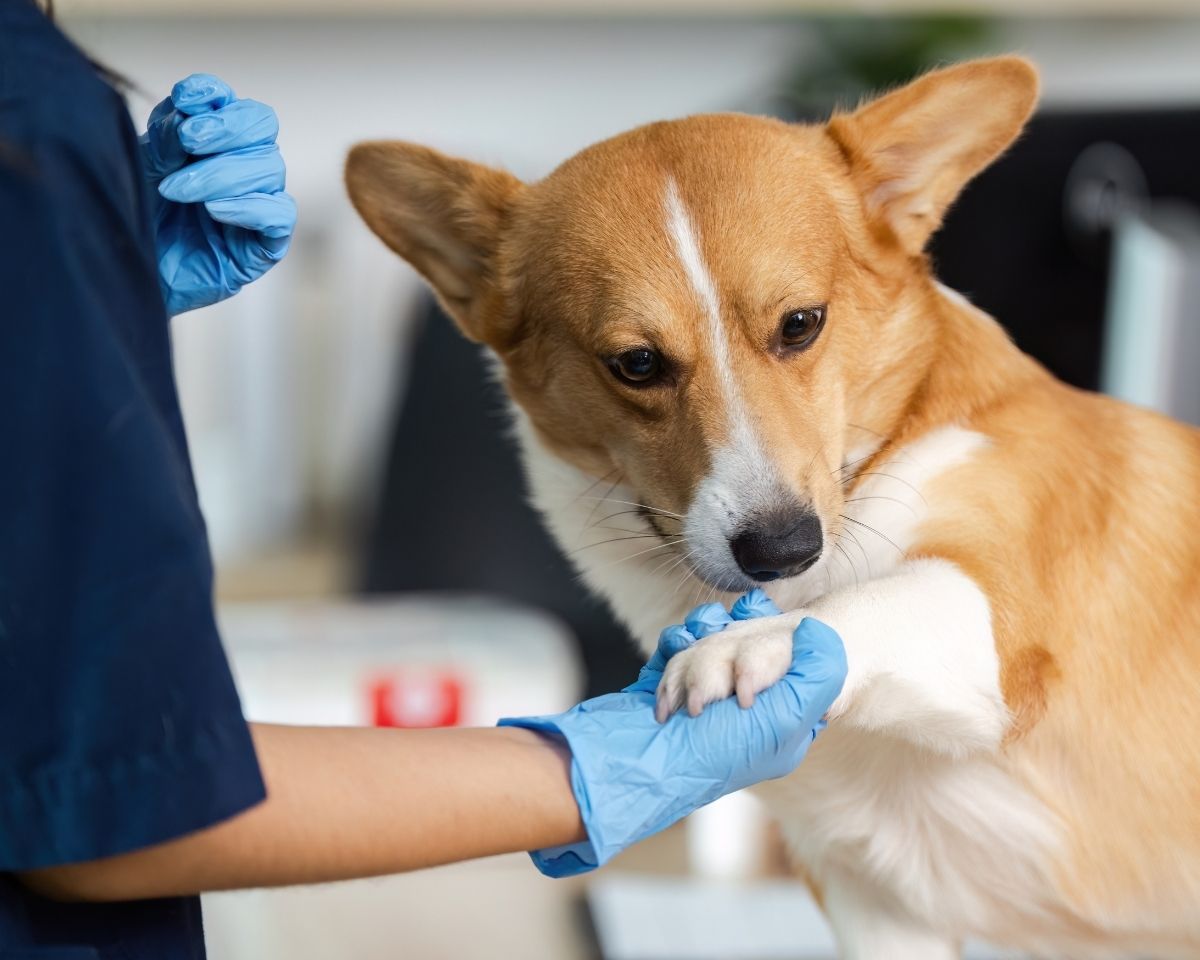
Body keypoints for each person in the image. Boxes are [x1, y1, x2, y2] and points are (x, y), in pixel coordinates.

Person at [0, 1, 847, 956]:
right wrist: (599, 769)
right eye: (642, 365)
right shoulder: (27, 104)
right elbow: (120, 803)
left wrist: (83, 299)